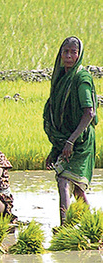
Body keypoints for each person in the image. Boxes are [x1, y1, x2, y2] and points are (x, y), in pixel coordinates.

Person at [43, 36, 98, 226]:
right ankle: (92, 225)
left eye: (73, 52)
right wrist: (56, 149)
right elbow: (58, 116)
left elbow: (89, 112)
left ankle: (65, 227)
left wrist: (70, 141)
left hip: (81, 140)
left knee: (64, 181)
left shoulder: (81, 78)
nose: (68, 56)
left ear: (79, 54)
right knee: (77, 190)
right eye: (65, 51)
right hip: (67, 139)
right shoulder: (60, 79)